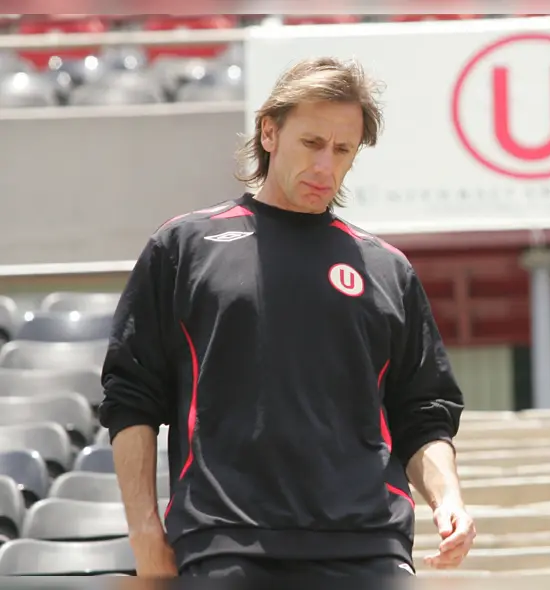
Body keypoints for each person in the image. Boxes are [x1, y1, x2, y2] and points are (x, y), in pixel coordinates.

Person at [98, 57, 475, 578]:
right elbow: (130, 397)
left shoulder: (387, 270)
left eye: (343, 150)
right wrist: (143, 532)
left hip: (369, 547)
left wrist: (447, 497)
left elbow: (423, 413)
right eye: (312, 143)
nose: (326, 165)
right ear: (270, 131)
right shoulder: (185, 247)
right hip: (225, 542)